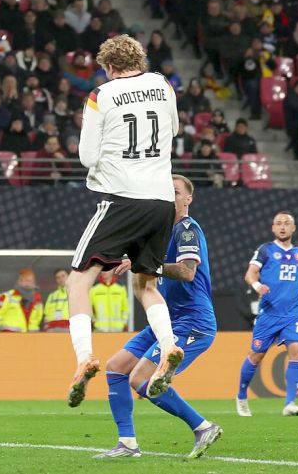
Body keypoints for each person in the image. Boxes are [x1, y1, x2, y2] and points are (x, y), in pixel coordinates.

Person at [66, 35, 182, 408]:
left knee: (78, 281)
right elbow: (174, 130)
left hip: (123, 198)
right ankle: (168, 347)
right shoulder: (163, 85)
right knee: (146, 285)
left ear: (108, 66)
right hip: (163, 199)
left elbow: (86, 157)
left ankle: (84, 357)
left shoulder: (102, 95)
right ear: (140, 60)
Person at [96, 175, 222, 459]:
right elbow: (149, 276)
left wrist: (148, 264)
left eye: (176, 192)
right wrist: (140, 262)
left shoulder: (187, 228)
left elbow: (187, 271)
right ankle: (127, 444)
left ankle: (203, 427)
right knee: (116, 367)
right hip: (165, 320)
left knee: (141, 379)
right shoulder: (161, 234)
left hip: (194, 321)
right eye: (167, 191)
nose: (171, 196)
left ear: (188, 199)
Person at [237, 212, 298, 417]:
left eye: (287, 224)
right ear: (273, 228)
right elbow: (250, 274)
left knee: (296, 350)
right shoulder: (265, 250)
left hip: (293, 313)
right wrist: (258, 285)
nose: (282, 227)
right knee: (256, 355)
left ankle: (289, 403)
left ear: (293, 228)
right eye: (278, 224)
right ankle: (241, 396)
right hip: (269, 313)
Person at [0, 268, 43, 332]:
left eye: (30, 281)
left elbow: (38, 317)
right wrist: (4, 329)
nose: (27, 284)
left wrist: (33, 328)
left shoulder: (37, 298)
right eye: (25, 280)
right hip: (10, 335)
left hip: (30, 336)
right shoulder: (5, 296)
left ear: (34, 282)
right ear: (19, 281)